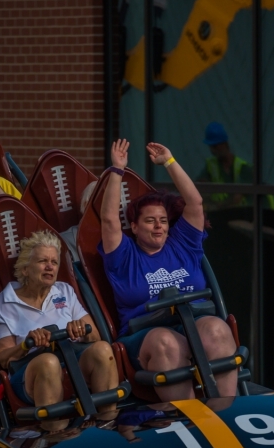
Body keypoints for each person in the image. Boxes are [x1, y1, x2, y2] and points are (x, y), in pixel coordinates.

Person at [100, 139, 238, 401]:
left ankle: (227, 409)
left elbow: (195, 203)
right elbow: (108, 220)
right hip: (146, 334)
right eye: (150, 221)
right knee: (167, 343)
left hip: (193, 321)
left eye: (163, 221)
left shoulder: (183, 243)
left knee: (218, 329)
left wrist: (170, 162)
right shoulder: (124, 256)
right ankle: (186, 415)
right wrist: (117, 170)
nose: (158, 226)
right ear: (134, 227)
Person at [0, 230, 118, 428]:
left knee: (103, 349)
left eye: (54, 262)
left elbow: (95, 335)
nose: (50, 266)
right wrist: (26, 344)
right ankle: (56, 434)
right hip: (30, 371)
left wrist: (80, 329)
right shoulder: (4, 303)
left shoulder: (64, 291)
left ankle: (108, 424)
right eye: (43, 261)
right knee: (48, 362)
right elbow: (3, 357)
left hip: (72, 359)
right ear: (25, 269)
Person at [195, 121, 274, 210]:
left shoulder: (243, 168)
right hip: (226, 214)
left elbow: (237, 198)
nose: (213, 150)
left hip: (247, 214)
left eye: (216, 146)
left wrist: (217, 206)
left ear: (225, 144)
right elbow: (200, 184)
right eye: (211, 147)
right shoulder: (212, 166)